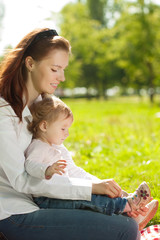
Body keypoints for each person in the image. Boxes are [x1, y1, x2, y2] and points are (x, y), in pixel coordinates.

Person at [0, 27, 146, 240]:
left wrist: (114, 191)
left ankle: (127, 210)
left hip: (42, 201)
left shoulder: (42, 108)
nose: (63, 77)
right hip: (14, 214)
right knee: (126, 229)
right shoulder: (5, 115)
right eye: (55, 69)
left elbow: (66, 165)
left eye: (64, 69)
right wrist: (92, 188)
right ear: (30, 64)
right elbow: (23, 181)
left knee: (124, 223)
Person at [25, 95, 159, 230]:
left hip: (62, 193)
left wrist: (99, 184)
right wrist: (46, 169)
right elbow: (30, 165)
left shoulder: (56, 147)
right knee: (89, 201)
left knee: (91, 195)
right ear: (44, 126)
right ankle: (129, 205)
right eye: (63, 129)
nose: (67, 134)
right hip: (48, 199)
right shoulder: (38, 146)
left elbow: (74, 171)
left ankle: (129, 208)